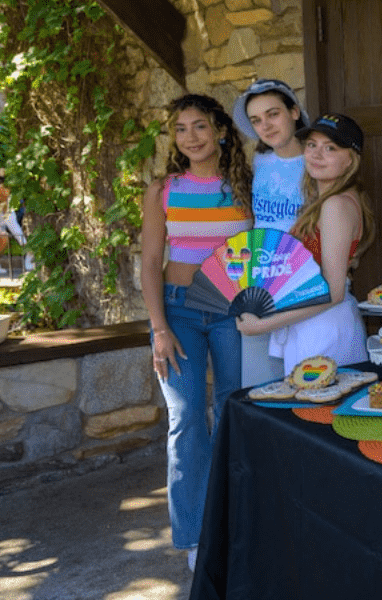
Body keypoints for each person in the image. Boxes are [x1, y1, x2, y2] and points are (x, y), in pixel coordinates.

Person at [140, 94, 254, 571]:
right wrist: (159, 328)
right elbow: (149, 263)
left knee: (233, 411)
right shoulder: (162, 189)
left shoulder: (244, 186)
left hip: (233, 310)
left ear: (221, 131)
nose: (191, 137)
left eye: (200, 126)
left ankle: (237, 523)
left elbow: (265, 248)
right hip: (179, 312)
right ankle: (193, 536)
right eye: (181, 129)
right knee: (186, 420)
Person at [235, 113, 375, 373]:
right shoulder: (328, 199)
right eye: (311, 145)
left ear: (350, 160)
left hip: (324, 328)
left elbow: (333, 292)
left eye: (330, 148)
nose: (316, 154)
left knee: (317, 410)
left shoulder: (335, 205)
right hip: (313, 324)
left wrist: (265, 325)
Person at [232, 78, 310, 385]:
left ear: (293, 112)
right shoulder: (260, 160)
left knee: (303, 381)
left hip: (302, 285)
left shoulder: (316, 162)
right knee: (257, 384)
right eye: (256, 120)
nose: (265, 125)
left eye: (273, 114)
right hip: (258, 286)